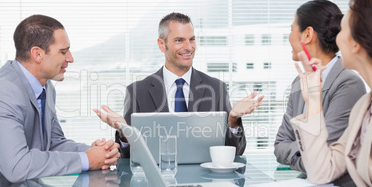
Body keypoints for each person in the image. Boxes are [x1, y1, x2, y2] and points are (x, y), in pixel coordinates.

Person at [95, 12, 263, 157]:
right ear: (162, 44)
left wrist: (233, 120)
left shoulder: (216, 88)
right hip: (157, 184)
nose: (188, 47)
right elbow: (129, 155)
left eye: (192, 39)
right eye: (179, 40)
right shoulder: (138, 91)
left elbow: (236, 152)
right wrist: (124, 133)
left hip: (203, 184)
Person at [0, 15, 120, 185]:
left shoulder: (46, 86)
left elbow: (54, 144)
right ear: (37, 54)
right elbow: (17, 167)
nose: (70, 58)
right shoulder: (1, 93)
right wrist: (86, 159)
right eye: (63, 52)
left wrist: (98, 153)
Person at [291, 0, 372, 187]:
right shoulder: (365, 107)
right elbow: (322, 172)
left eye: (342, 29)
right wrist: (313, 100)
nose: (334, 37)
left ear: (356, 44)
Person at [274, 0, 366, 172]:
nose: (289, 36)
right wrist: (307, 156)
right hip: (306, 185)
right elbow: (280, 145)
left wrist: (299, 156)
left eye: (291, 29)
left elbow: (326, 154)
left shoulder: (348, 83)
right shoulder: (298, 82)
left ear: (307, 34)